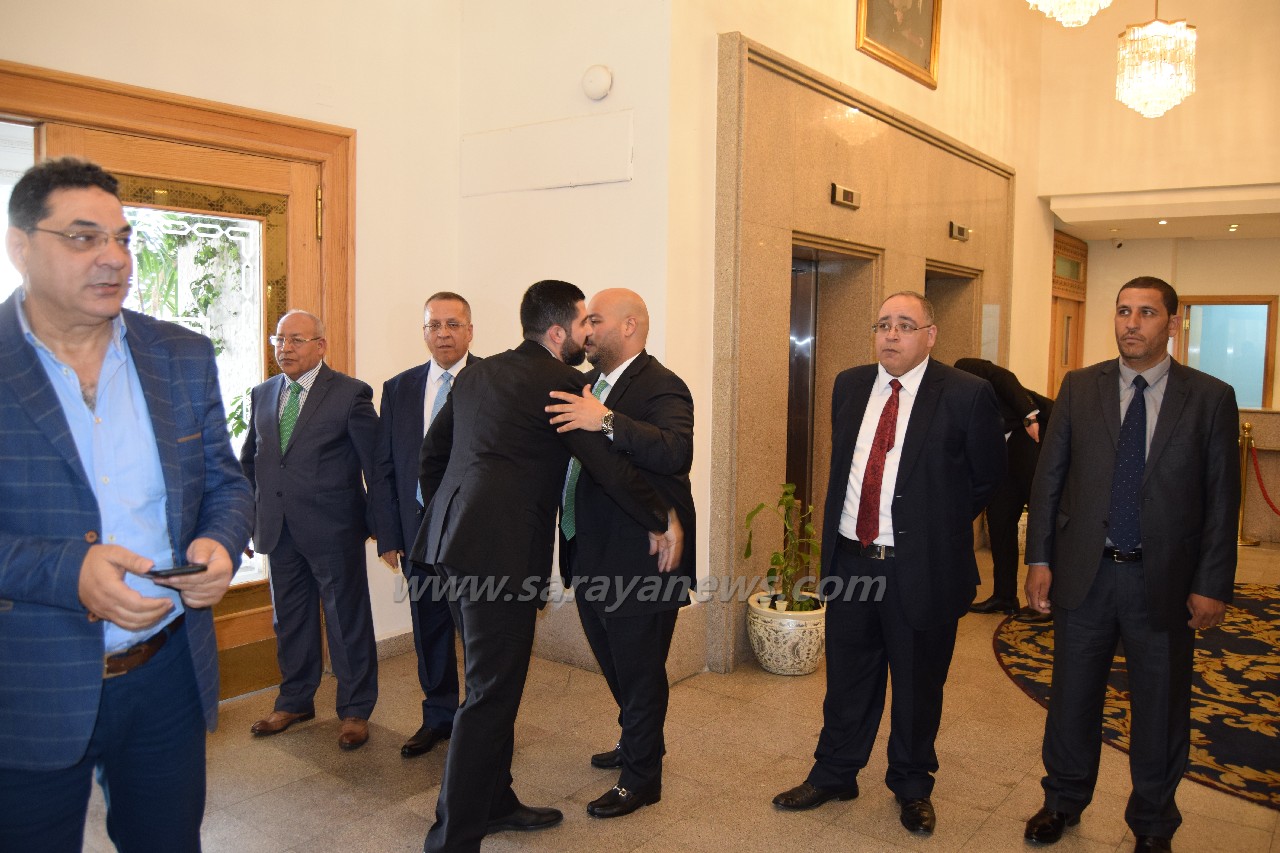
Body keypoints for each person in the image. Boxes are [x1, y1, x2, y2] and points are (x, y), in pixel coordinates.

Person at [0, 157, 254, 852]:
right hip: (26, 683)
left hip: (164, 673)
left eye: (122, 238)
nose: (113, 257)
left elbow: (226, 482)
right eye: (84, 238)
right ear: (20, 246)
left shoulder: (180, 355)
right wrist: (68, 571)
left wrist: (219, 544)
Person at [411, 279, 683, 852]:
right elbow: (608, 468)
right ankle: (453, 837)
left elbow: (431, 457)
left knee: (490, 683)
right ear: (558, 333)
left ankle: (496, 799)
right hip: (499, 560)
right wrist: (661, 518)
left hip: (451, 551)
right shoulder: (561, 383)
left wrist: (454, 520)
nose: (589, 334)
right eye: (584, 323)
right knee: (489, 695)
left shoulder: (477, 373)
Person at [773, 291, 1005, 837]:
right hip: (852, 562)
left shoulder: (967, 393)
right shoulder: (850, 384)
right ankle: (835, 774)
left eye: (904, 325)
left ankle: (912, 784)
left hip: (920, 568)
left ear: (930, 335)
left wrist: (932, 528)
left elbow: (986, 478)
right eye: (883, 325)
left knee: (918, 684)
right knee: (848, 678)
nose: (891, 335)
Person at [1022, 277, 1239, 853]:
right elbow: (1049, 480)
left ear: (1172, 323)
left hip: (1162, 581)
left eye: (1146, 312)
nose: (1132, 323)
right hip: (1084, 576)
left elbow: (1222, 499)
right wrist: (1039, 558)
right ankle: (1062, 801)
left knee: (1161, 710)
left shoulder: (1210, 397)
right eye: (1123, 311)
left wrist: (1212, 583)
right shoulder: (1079, 386)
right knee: (1071, 699)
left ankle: (1153, 823)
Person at [545, 288, 696, 819]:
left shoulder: (662, 384)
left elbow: (675, 451)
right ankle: (637, 739)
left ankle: (641, 778)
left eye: (595, 320)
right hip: (589, 550)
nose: (585, 331)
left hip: (643, 554)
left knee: (639, 672)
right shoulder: (588, 385)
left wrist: (605, 420)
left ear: (629, 326)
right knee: (615, 665)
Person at [240, 309, 381, 751]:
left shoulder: (350, 394)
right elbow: (250, 462)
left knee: (345, 620)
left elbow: (375, 466)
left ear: (321, 345)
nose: (285, 348)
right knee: (290, 619)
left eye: (296, 340)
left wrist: (384, 528)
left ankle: (355, 709)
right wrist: (243, 519)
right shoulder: (263, 393)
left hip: (333, 529)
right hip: (278, 529)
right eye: (279, 340)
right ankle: (295, 700)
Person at [371, 291, 477, 757]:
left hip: (473, 535)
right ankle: (438, 715)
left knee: (477, 634)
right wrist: (388, 534)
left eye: (453, 324)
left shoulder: (491, 381)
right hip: (417, 534)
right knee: (429, 629)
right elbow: (384, 467)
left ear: (470, 330)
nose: (443, 334)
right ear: (424, 332)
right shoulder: (399, 388)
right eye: (434, 325)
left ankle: (479, 722)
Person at [955, 357, 1053, 623]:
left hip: (1031, 439)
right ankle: (1004, 596)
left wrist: (1029, 415)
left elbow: (1004, 378)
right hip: (1003, 457)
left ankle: (1047, 601)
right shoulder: (942, 402)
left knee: (1043, 521)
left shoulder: (964, 368)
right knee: (999, 520)